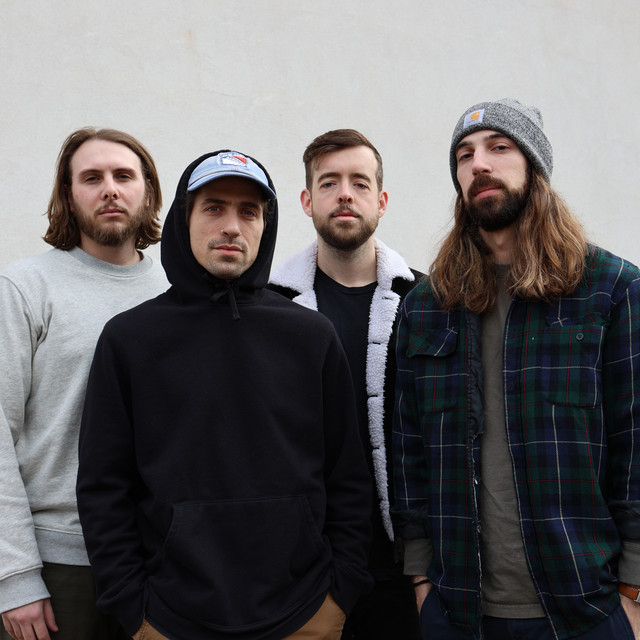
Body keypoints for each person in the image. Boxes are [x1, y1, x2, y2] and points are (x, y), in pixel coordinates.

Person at [76, 150, 373, 640]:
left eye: (248, 211)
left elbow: (348, 478)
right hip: (168, 618)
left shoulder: (311, 336)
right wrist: (132, 606)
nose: (232, 227)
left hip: (305, 614)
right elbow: (104, 487)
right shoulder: (130, 340)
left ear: (265, 225)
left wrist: (339, 595)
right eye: (213, 207)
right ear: (184, 218)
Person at [391, 97, 640, 640]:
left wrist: (634, 590)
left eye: (499, 147)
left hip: (587, 609)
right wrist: (420, 578)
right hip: (456, 611)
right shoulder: (427, 306)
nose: (479, 164)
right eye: (464, 155)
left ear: (535, 166)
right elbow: (409, 450)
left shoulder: (612, 289)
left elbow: (635, 443)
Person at [0, 128, 167, 640]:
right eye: (91, 178)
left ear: (148, 192)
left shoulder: (175, 293)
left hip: (157, 562)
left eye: (124, 176)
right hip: (57, 566)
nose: (109, 189)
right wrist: (15, 576)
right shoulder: (25, 287)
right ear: (69, 196)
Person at [270, 129, 422, 639]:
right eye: (329, 182)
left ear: (381, 201)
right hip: (305, 567)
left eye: (360, 182)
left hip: (409, 567)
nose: (344, 194)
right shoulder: (270, 307)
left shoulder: (426, 301)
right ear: (306, 201)